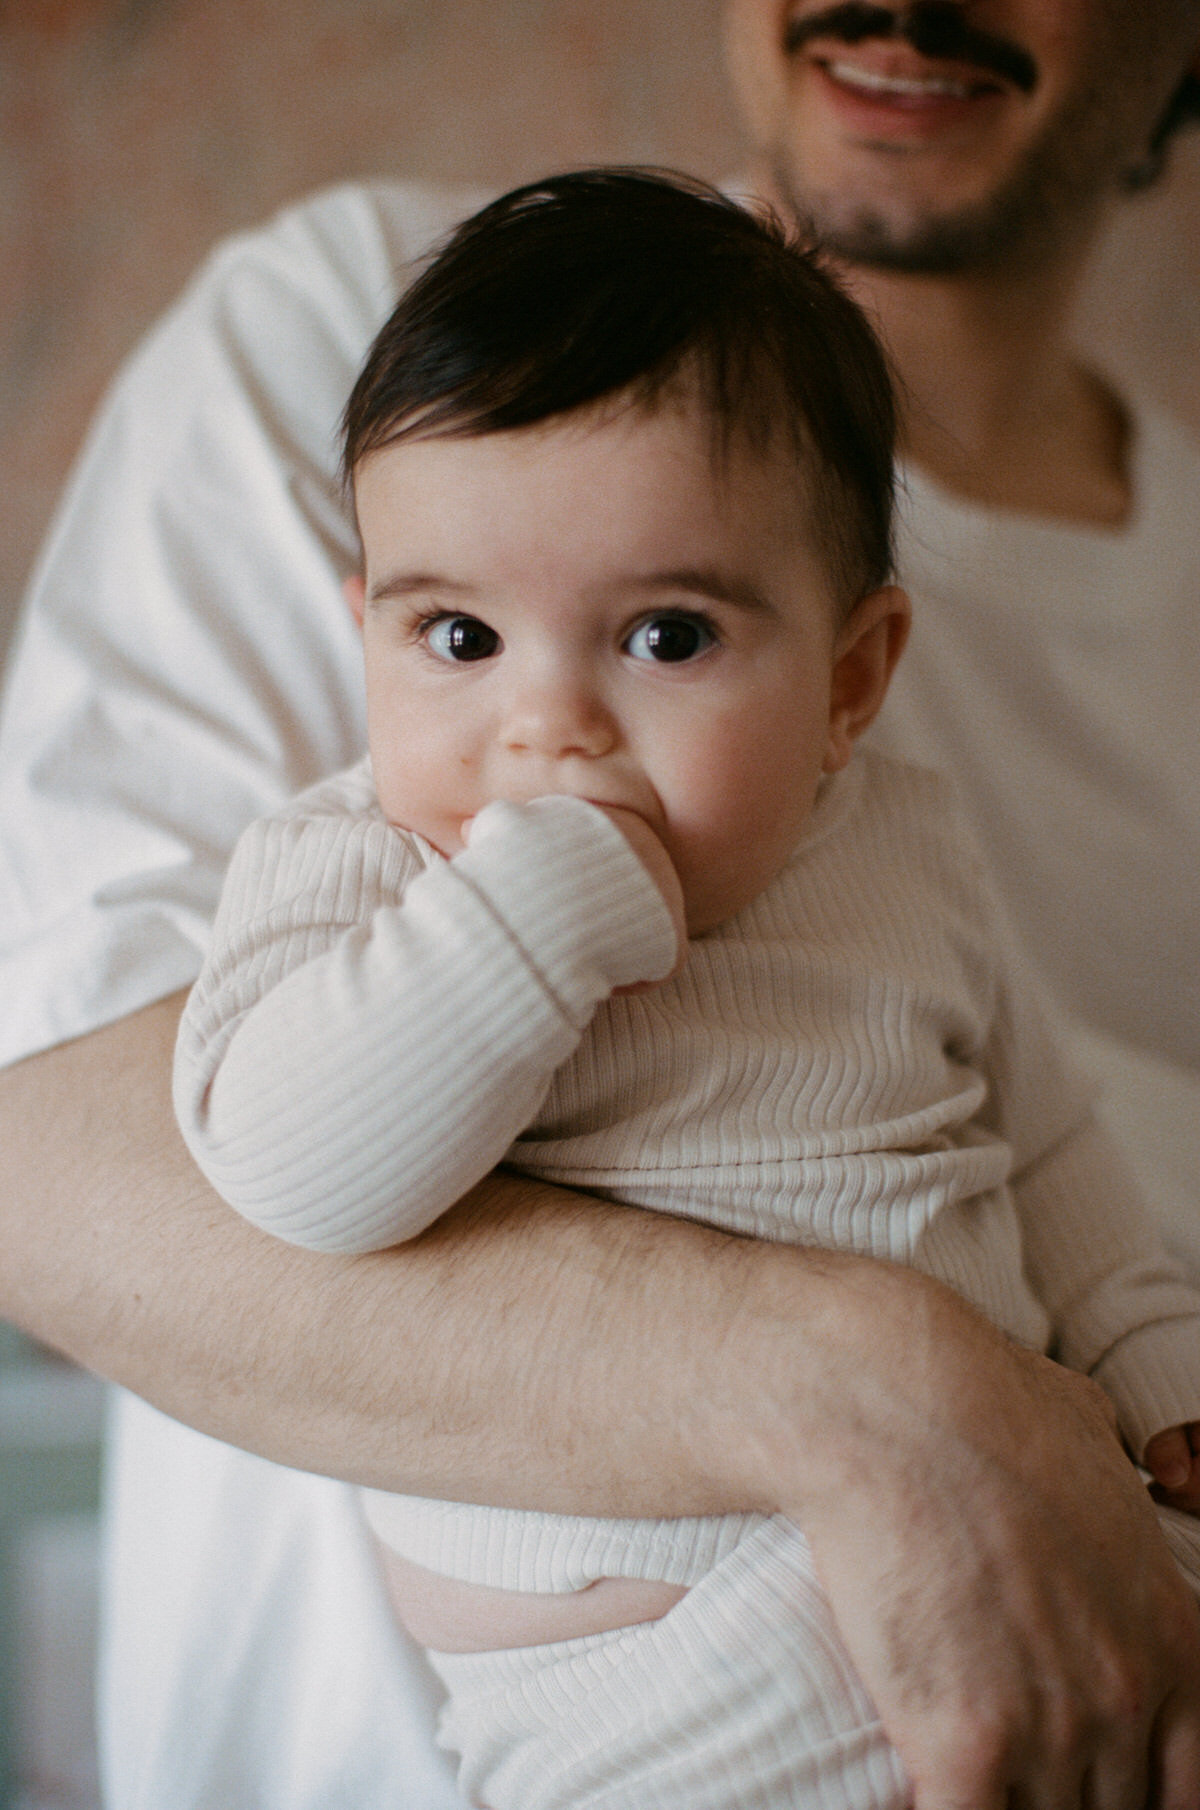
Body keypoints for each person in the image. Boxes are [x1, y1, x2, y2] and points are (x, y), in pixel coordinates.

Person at [2, 5, 1200, 1807]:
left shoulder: (894, 843)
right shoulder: (371, 837)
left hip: (1085, 1625)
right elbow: (192, 1172)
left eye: (668, 638)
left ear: (856, 680)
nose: (544, 723)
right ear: (373, 634)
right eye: (458, 640)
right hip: (646, 1704)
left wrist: (1150, 1346)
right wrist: (517, 933)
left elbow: (1054, 1142)